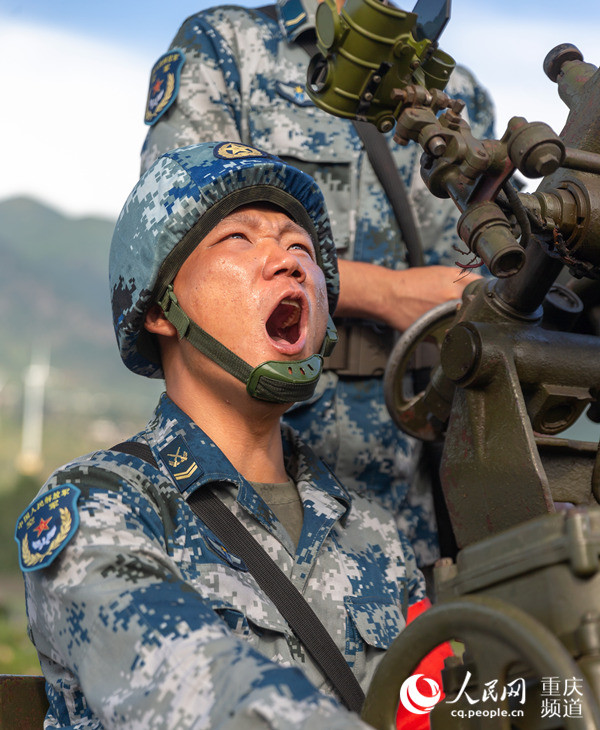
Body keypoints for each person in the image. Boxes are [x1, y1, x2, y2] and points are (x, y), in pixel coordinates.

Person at [15, 141, 430, 729]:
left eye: (301, 247)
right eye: (239, 238)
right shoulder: (101, 504)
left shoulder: (376, 538)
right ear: (160, 308)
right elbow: (192, 689)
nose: (290, 263)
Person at [140, 0, 493, 569]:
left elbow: (494, 259)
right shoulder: (229, 46)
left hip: (426, 477)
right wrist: (391, 293)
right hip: (265, 474)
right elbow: (176, 240)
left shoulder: (453, 89)